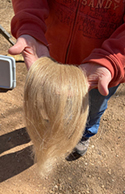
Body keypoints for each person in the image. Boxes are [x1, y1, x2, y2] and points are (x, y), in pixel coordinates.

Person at [9, 0, 125, 161]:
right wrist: (30, 25)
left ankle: (84, 134)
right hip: (50, 52)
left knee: (93, 106)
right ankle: (57, 122)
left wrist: (113, 60)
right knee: (57, 99)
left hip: (102, 69)